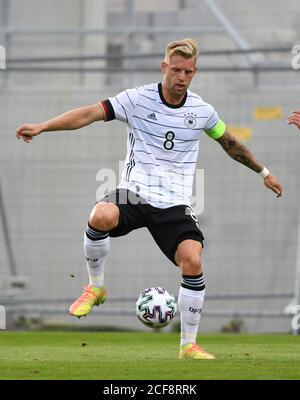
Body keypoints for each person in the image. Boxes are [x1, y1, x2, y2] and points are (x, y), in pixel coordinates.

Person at [16, 38, 283, 360]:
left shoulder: (202, 111)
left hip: (174, 202)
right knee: (100, 215)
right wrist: (44, 126)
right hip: (136, 191)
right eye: (175, 69)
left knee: (193, 259)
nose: (181, 77)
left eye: (187, 71)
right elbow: (89, 113)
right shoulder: (137, 99)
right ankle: (95, 287)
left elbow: (230, 143)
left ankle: (188, 345)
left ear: (194, 72)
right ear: (164, 67)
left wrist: (263, 172)